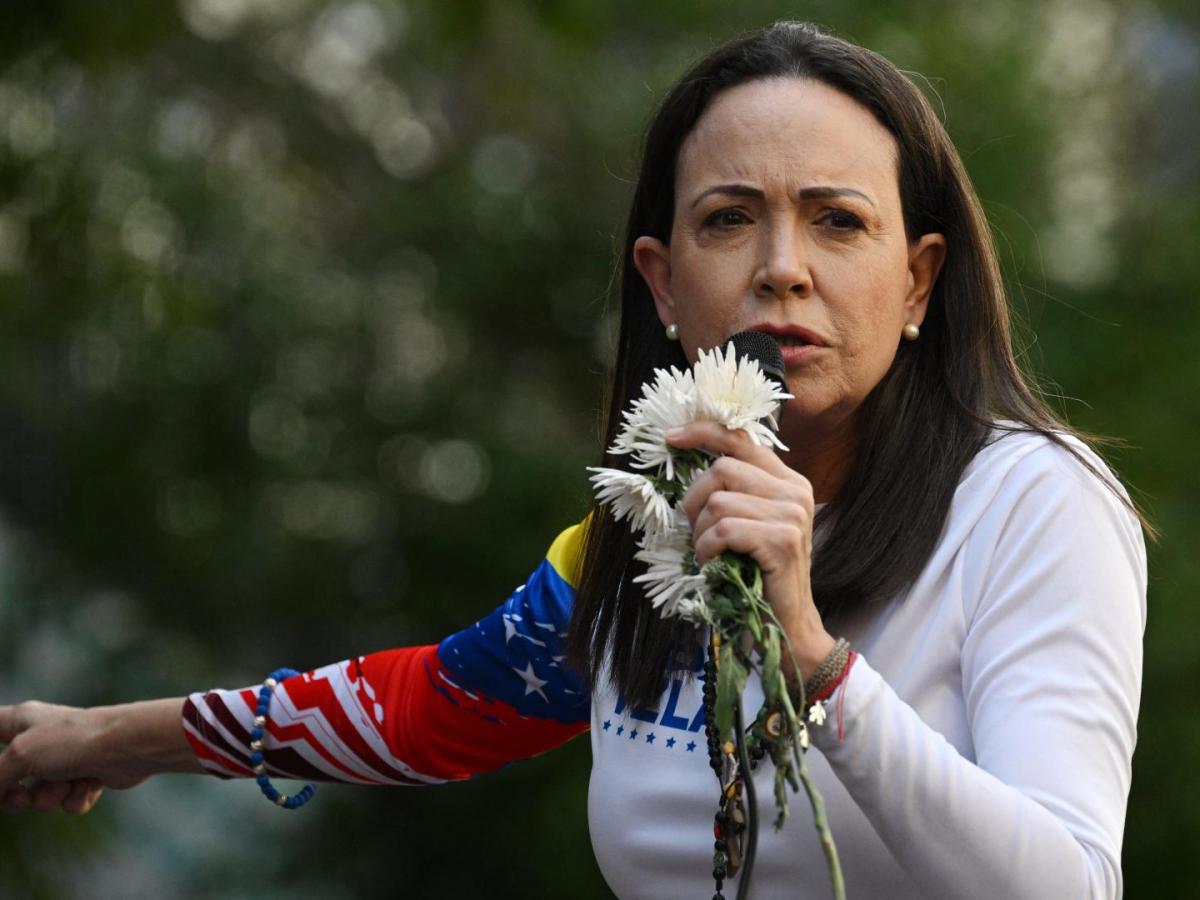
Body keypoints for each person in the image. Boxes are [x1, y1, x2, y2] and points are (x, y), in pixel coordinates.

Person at [0, 21, 1147, 900]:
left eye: (840, 222)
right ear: (661, 280)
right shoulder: (653, 533)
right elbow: (432, 709)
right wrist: (112, 738)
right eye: (729, 219)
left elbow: (1066, 882)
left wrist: (812, 658)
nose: (783, 267)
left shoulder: (1029, 506)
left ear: (919, 283)